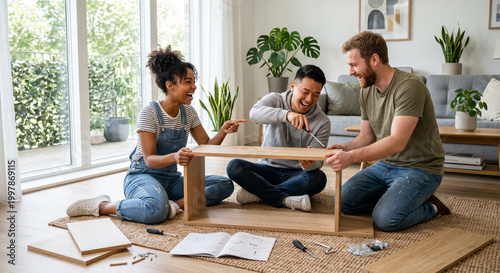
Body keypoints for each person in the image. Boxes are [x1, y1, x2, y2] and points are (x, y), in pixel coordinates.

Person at [66, 46, 246, 224]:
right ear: (170, 86)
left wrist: (223, 131)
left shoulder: (188, 113)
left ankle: (172, 205)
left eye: (193, 81)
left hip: (171, 180)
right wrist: (175, 157)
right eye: (188, 82)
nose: (194, 86)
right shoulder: (150, 113)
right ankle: (103, 206)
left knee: (224, 185)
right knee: (154, 211)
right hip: (142, 176)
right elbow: (150, 159)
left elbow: (206, 145)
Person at [325, 31, 450, 232]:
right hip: (386, 164)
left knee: (385, 220)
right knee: (341, 202)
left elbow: (397, 142)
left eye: (354, 65)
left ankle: (432, 206)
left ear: (374, 59)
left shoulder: (409, 86)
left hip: (420, 168)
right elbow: (367, 136)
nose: (350, 72)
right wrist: (344, 147)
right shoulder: (366, 90)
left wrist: (351, 157)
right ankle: (399, 198)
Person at [226, 64, 330, 212]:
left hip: (297, 174)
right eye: (305, 92)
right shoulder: (275, 99)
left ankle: (259, 194)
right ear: (293, 86)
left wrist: (309, 164)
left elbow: (317, 162)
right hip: (267, 169)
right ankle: (285, 198)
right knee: (234, 166)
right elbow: (254, 114)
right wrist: (286, 115)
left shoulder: (323, 121)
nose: (309, 99)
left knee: (319, 179)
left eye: (315, 95)